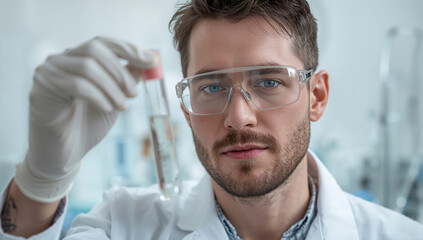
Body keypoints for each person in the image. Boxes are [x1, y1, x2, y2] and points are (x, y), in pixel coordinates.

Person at [1, 0, 423, 239]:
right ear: (185, 107)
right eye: (212, 87)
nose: (239, 118)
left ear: (316, 96)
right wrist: (43, 177)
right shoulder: (124, 225)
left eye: (269, 82)